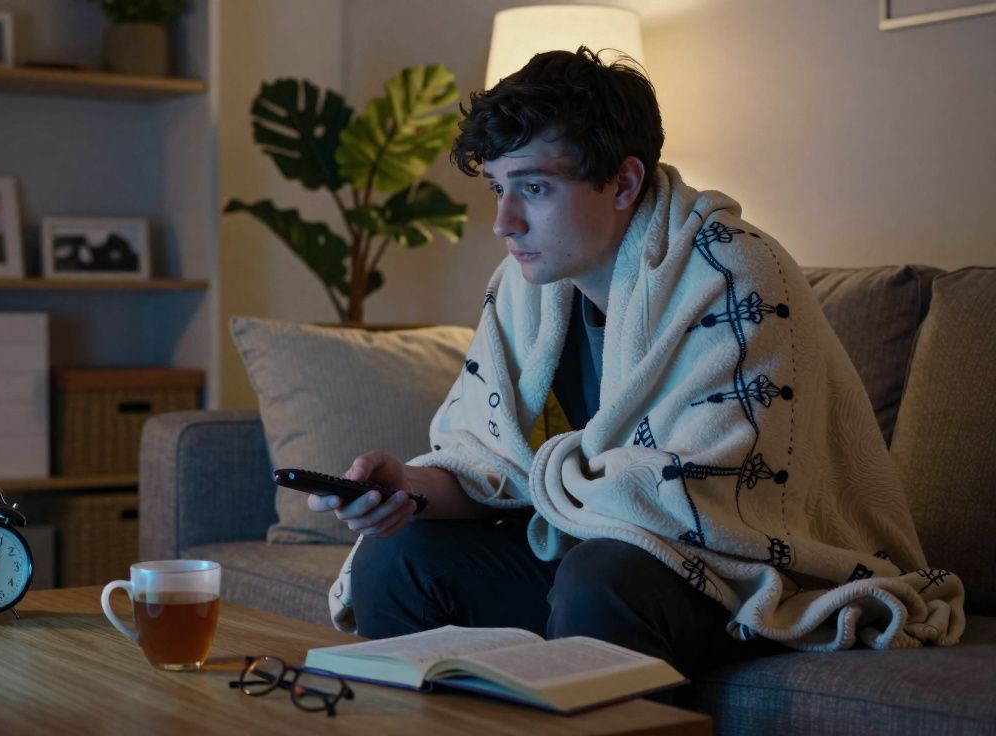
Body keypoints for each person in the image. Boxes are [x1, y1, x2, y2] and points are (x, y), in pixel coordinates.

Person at [309, 47, 963, 677]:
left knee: (601, 580)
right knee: (395, 557)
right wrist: (407, 490)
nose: (503, 222)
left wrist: (549, 489)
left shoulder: (734, 274)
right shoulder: (521, 291)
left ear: (624, 183)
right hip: (592, 551)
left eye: (533, 188)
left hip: (741, 572)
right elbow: (491, 466)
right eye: (498, 187)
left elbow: (709, 494)